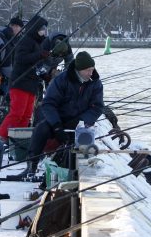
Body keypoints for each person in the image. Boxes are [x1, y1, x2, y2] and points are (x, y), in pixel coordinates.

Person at [13, 51, 104, 179]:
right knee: (41, 129)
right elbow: (48, 104)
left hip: (81, 124)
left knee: (83, 141)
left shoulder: (96, 83)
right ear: (79, 69)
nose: (91, 73)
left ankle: (82, 171)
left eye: (92, 69)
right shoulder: (61, 80)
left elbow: (97, 107)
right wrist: (56, 125)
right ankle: (31, 166)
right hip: (59, 122)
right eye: (88, 70)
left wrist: (82, 121)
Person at [0, 15, 49, 143]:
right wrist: (39, 55)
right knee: (17, 113)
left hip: (32, 84)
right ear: (35, 28)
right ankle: (0, 137)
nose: (44, 31)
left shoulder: (39, 43)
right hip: (20, 82)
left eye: (45, 29)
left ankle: (19, 140)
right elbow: (21, 59)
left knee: (26, 115)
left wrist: (44, 73)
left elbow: (36, 63)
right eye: (42, 29)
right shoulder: (26, 40)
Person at [0, 16, 24, 97]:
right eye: (20, 28)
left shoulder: (3, 35)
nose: (20, 31)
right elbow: (6, 66)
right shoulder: (5, 40)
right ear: (14, 26)